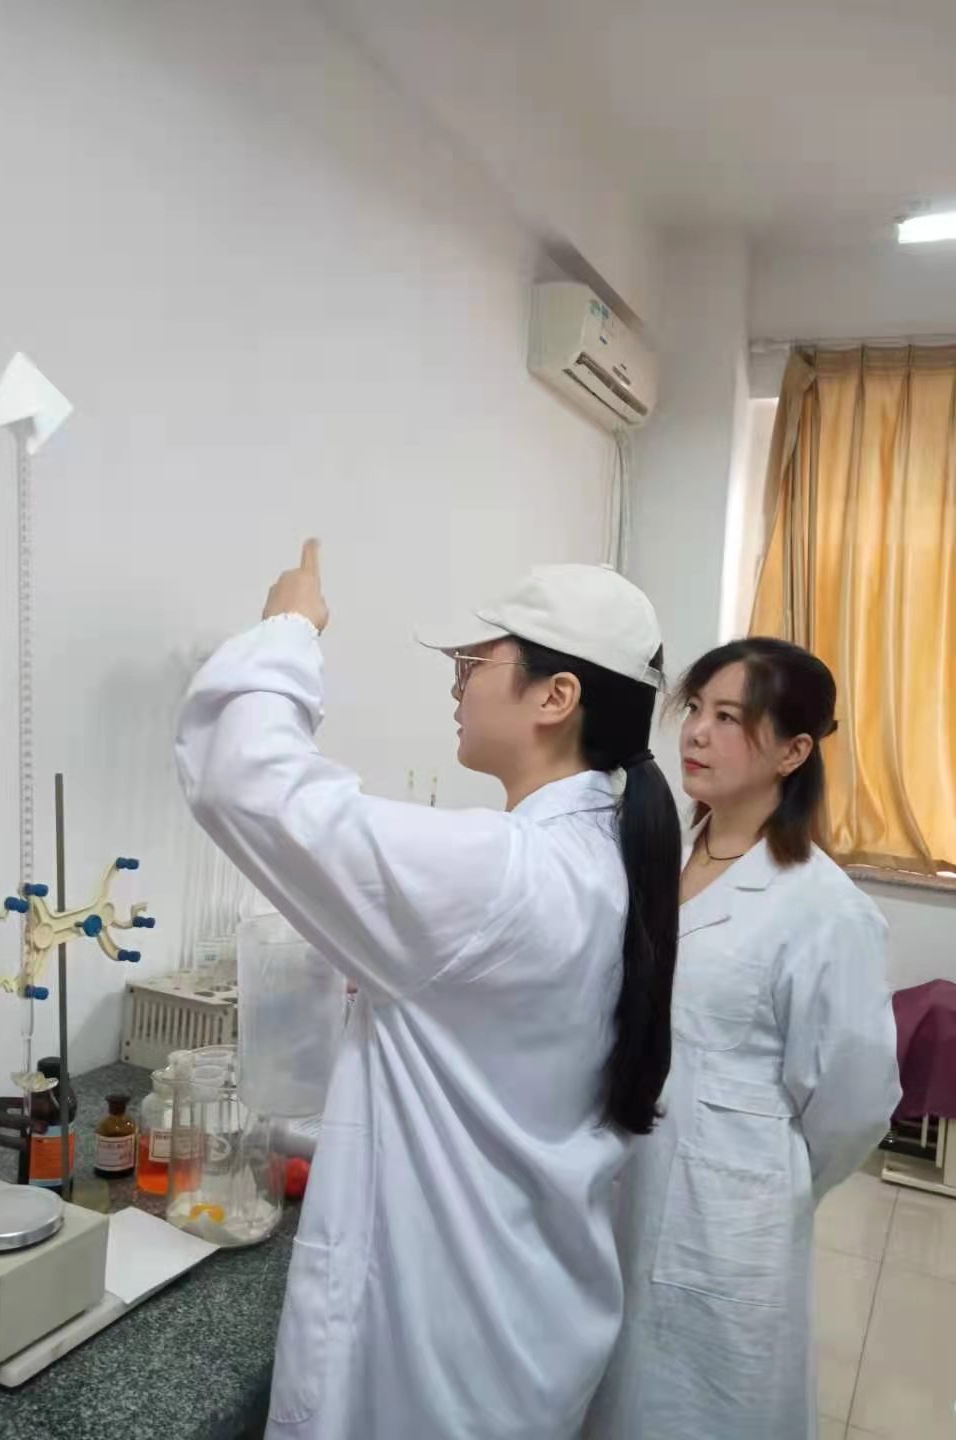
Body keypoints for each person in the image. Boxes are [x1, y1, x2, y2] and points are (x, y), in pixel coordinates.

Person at [175, 544, 682, 1440]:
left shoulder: (507, 872)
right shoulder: (601, 858)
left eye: (474, 661)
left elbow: (247, 780)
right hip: (526, 1305)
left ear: (556, 697)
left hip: (444, 1341)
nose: (458, 684)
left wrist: (288, 627)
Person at [588, 636, 901, 1440]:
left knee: (701, 1408)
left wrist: (766, 1175)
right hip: (620, 1179)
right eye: (695, 708)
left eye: (730, 717)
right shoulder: (656, 853)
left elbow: (855, 1103)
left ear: (793, 752)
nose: (696, 732)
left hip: (729, 1214)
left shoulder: (823, 909)